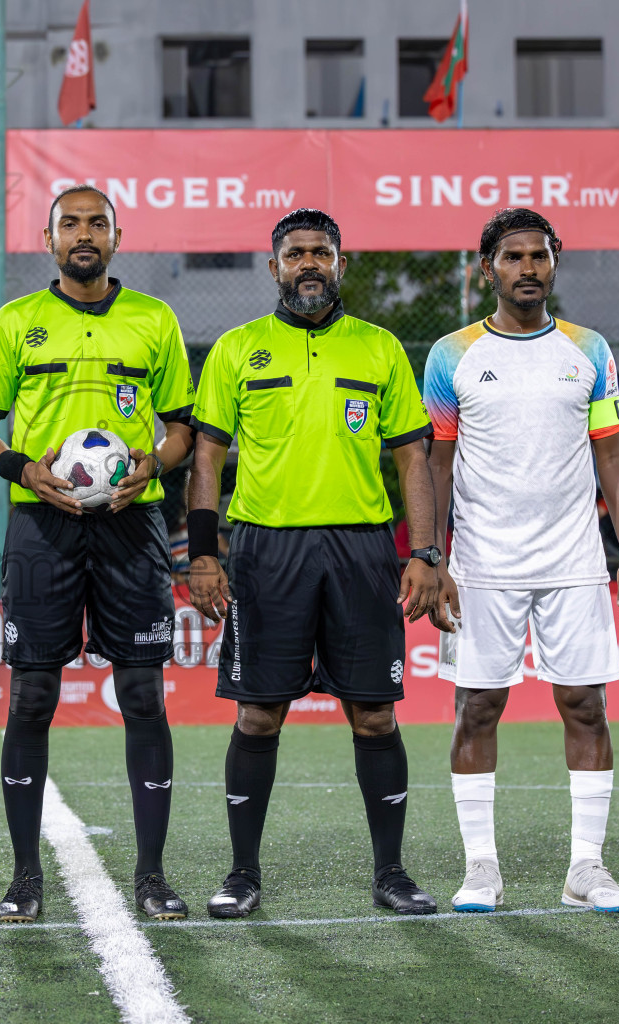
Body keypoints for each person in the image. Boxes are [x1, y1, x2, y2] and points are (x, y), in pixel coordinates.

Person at [187, 208, 442, 920]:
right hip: (267, 550)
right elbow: (207, 458)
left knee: (374, 716)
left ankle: (391, 872)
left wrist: (425, 553)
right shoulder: (238, 350)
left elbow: (412, 457)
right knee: (260, 716)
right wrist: (203, 553)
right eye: (295, 253)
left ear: (341, 264)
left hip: (362, 549)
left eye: (321, 252)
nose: (308, 263)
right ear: (273, 267)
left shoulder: (380, 347)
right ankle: (242, 874)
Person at [0, 184, 197, 923]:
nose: (84, 234)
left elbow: (183, 430)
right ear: (49, 237)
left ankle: (153, 875)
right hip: (42, 525)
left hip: (134, 525)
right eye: (71, 224)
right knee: (31, 698)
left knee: (141, 697)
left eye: (98, 223)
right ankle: (25, 877)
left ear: (118, 236)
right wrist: (23, 470)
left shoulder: (154, 319)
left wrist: (152, 464)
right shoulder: (17, 321)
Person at [424, 208, 619, 915]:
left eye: (540, 256)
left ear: (555, 265)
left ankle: (586, 869)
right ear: (486, 267)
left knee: (586, 705)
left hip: (575, 560)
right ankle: (481, 868)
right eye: (514, 257)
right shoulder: (451, 354)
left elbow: (613, 453)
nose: (529, 268)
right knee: (477, 707)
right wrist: (434, 557)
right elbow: (435, 460)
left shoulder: (589, 349)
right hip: (483, 565)